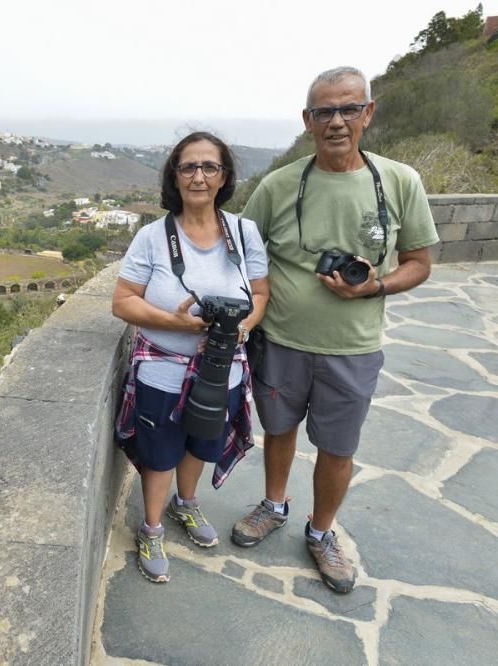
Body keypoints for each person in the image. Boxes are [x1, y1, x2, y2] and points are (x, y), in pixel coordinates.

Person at [232, 66, 439, 593]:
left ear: (368, 113)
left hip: (353, 348)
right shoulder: (279, 186)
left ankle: (321, 532)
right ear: (307, 121)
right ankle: (274, 504)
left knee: (339, 447)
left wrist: (376, 287)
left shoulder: (399, 181)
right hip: (279, 340)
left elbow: (419, 261)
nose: (337, 121)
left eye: (349, 108)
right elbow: (244, 256)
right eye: (324, 111)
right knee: (277, 429)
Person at [112, 131, 269, 583]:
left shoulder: (244, 232)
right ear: (175, 177)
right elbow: (122, 302)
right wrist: (175, 322)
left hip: (222, 369)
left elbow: (260, 293)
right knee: (160, 452)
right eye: (188, 167)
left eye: (209, 167)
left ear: (224, 177)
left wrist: (243, 327)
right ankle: (152, 527)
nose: (199, 176)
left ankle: (188, 502)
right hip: (163, 366)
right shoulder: (152, 236)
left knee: (202, 440)